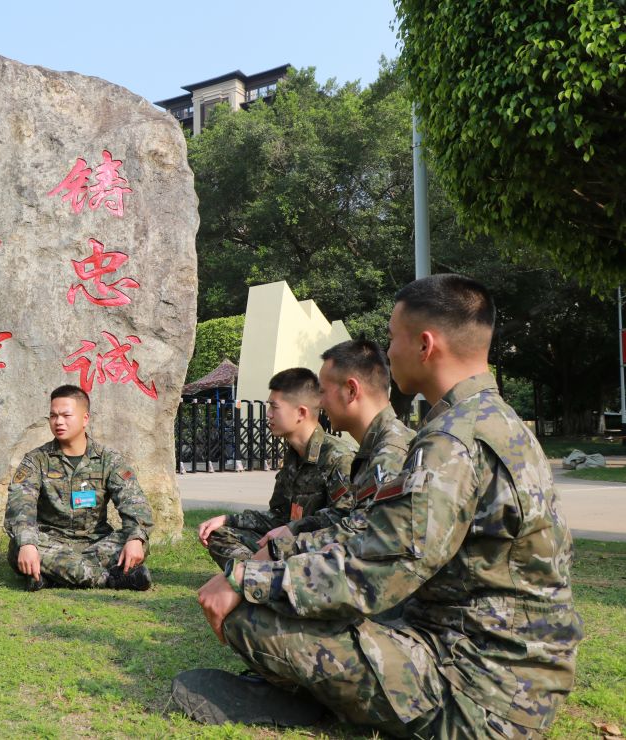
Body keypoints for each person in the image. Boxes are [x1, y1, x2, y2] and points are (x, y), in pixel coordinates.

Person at [177, 274, 583, 737]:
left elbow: (376, 570)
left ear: (425, 344)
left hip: (478, 694)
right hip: (511, 672)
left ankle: (305, 699)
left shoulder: (453, 441)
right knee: (304, 601)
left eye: (392, 338)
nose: (388, 354)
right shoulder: (496, 422)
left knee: (247, 612)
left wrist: (245, 578)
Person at [257, 339, 414, 561]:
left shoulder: (390, 452)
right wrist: (292, 530)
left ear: (351, 390)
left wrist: (279, 549)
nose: (318, 403)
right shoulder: (375, 448)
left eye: (322, 392)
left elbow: (364, 536)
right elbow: (347, 517)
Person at [196, 368, 356, 569]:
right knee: (219, 534)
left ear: (301, 413)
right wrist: (227, 519)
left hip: (319, 550)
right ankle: (259, 574)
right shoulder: (292, 457)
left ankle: (254, 575)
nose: (268, 414)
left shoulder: (339, 458)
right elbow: (278, 517)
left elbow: (345, 520)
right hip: (288, 546)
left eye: (274, 407)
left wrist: (292, 529)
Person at [4, 384, 154, 591]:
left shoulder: (109, 460)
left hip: (96, 543)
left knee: (137, 541)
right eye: (53, 416)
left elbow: (134, 504)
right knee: (20, 546)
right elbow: (20, 507)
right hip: (50, 542)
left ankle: (53, 576)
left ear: (85, 419)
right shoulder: (36, 460)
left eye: (66, 415)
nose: (59, 422)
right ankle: (109, 579)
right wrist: (29, 544)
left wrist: (136, 537)